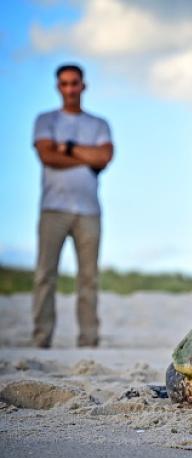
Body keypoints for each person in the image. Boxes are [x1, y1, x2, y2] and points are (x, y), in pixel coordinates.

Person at [32, 64, 114, 348]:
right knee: (45, 274)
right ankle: (42, 337)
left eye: (74, 83)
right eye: (64, 84)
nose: (69, 89)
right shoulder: (45, 120)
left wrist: (65, 148)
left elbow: (104, 157)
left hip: (89, 210)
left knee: (89, 277)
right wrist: (85, 156)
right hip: (53, 208)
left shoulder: (99, 124)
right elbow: (47, 156)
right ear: (58, 87)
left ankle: (89, 339)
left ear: (83, 86)